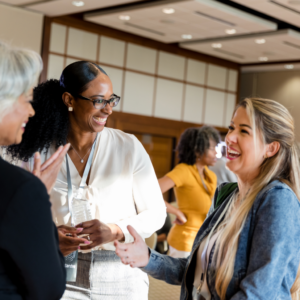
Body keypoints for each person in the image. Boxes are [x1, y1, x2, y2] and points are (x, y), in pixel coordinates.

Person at [7, 61, 166, 299]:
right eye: (99, 100)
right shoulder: (37, 150)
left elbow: (156, 214)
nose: (108, 109)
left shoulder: (128, 147)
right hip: (56, 266)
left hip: (120, 273)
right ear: (69, 100)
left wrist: (115, 230)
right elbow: (14, 216)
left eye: (111, 100)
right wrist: (49, 234)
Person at [115, 98, 300, 300]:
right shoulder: (226, 195)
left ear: (271, 148)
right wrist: (147, 257)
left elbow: (259, 292)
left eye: (244, 131)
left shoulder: (277, 199)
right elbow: (195, 272)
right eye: (231, 128)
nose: (229, 138)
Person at [0, 42, 71, 299]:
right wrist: (38, 195)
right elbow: (49, 288)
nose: (31, 111)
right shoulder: (20, 191)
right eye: (27, 99)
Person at [158, 126, 219, 258]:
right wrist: (176, 211)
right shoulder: (183, 170)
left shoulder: (210, 176)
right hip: (184, 242)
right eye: (212, 148)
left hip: (204, 241)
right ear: (197, 150)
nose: (216, 153)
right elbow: (149, 192)